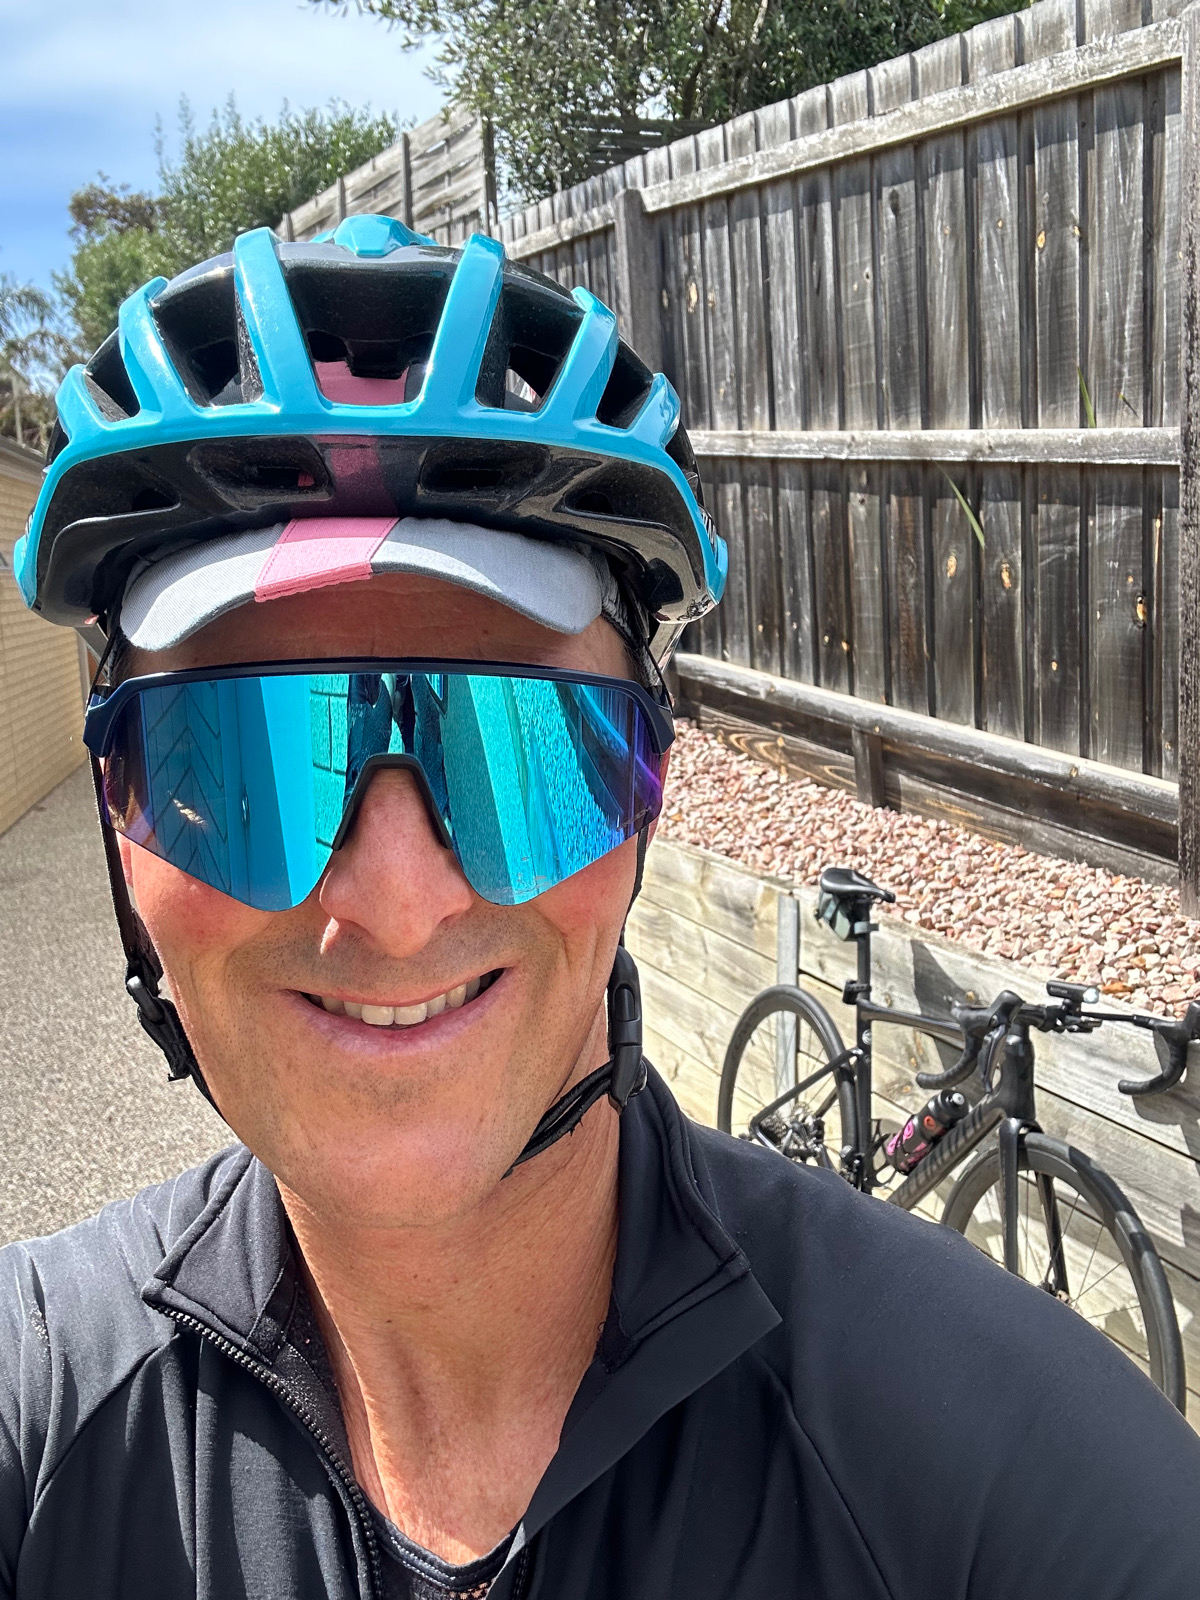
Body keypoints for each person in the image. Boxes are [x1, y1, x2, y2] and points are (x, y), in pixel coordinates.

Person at [2, 213, 1198, 1600]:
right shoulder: (43, 1402)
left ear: (646, 796)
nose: (397, 905)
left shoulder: (1015, 1477)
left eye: (519, 755)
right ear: (117, 813)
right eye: (244, 758)